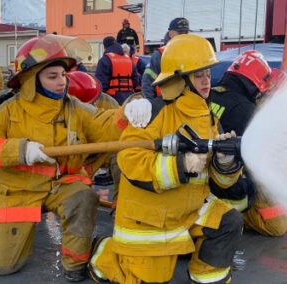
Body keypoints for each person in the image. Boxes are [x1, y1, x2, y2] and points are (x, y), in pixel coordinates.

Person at [0, 35, 128, 282]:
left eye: (64, 75)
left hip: (62, 185)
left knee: (84, 197)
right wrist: (20, 150)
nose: (62, 82)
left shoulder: (73, 107)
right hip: (21, 191)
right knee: (2, 267)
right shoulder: (7, 111)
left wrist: (127, 115)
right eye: (53, 76)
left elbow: (102, 123)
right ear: (32, 80)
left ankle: (76, 264)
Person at [87, 34, 244, 284]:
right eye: (198, 75)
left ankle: (206, 276)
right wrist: (180, 165)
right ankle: (107, 253)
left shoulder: (208, 117)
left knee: (229, 221)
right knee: (151, 278)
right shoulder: (153, 112)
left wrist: (225, 162)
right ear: (180, 79)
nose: (206, 81)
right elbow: (130, 159)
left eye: (207, 73)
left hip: (190, 208)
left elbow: (221, 183)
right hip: (152, 216)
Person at [210, 51, 287, 237]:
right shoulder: (248, 111)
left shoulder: (208, 96)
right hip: (230, 187)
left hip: (203, 183)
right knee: (277, 224)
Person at [141, 17, 189, 98]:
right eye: (180, 33)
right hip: (163, 104)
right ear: (170, 34)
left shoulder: (190, 54)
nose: (183, 36)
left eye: (186, 33)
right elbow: (147, 82)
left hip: (185, 104)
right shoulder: (159, 55)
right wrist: (151, 104)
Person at [95, 36, 138, 105]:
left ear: (104, 47)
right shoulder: (128, 59)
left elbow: (100, 83)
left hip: (111, 99)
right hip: (129, 98)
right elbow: (135, 80)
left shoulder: (105, 59)